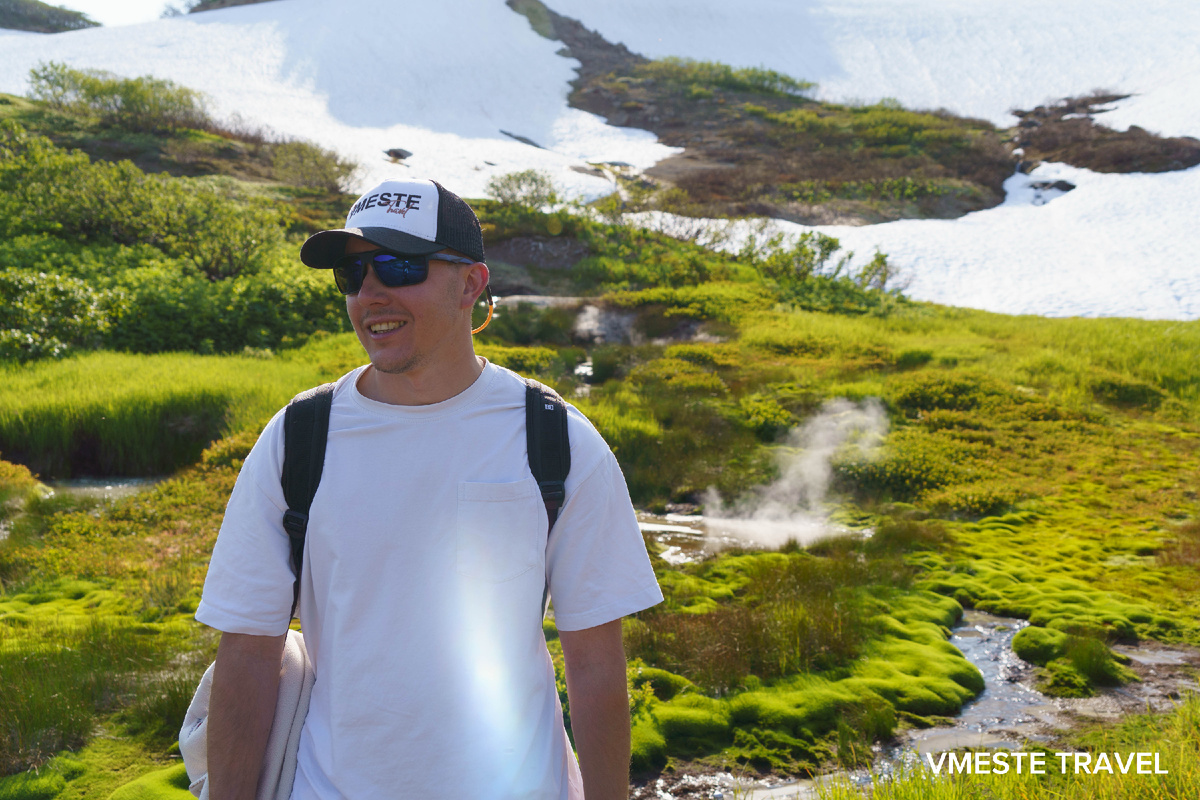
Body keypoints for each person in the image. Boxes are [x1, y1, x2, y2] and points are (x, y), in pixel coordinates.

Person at [195, 179, 663, 800]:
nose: (370, 292)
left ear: (471, 284)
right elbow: (249, 650)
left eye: (399, 265)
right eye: (352, 273)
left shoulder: (554, 438)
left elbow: (596, 661)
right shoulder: (298, 438)